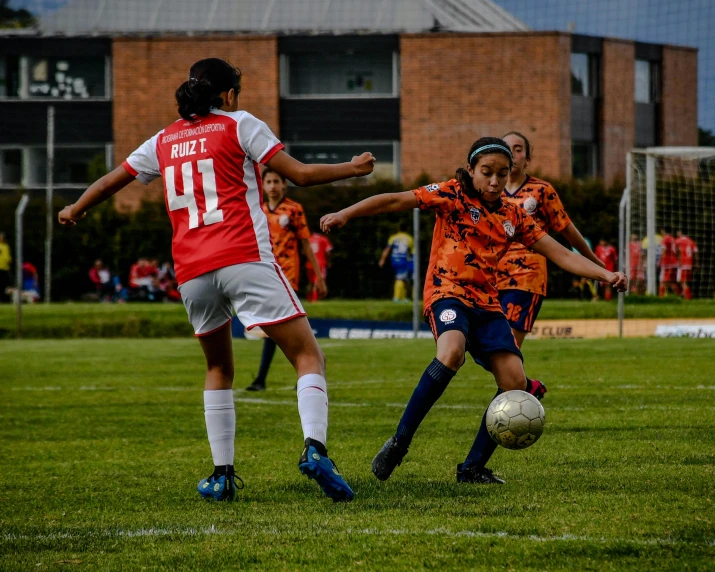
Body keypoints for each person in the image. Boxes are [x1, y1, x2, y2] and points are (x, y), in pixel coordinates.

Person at [58, 57, 375, 502]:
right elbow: (299, 175)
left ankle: (222, 474)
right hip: (243, 256)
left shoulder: (164, 139)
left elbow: (116, 178)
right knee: (307, 356)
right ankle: (315, 450)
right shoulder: (239, 124)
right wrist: (353, 169)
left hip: (191, 271)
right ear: (228, 94)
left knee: (218, 367)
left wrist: (77, 208)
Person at [320, 137, 627, 484]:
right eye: (486, 173)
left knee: (515, 381)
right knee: (451, 352)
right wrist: (345, 214)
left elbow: (561, 253)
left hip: (487, 303)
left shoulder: (513, 214)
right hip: (447, 293)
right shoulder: (451, 194)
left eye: (502, 173)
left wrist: (605, 274)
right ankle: (399, 443)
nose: (494, 181)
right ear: (471, 170)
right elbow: (393, 199)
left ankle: (472, 467)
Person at [496, 132, 603, 345]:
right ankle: (525, 381)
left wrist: (595, 263)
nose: (513, 154)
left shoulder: (542, 191)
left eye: (518, 149)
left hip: (526, 278)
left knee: (508, 346)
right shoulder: (489, 192)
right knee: (488, 347)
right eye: (507, 148)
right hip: (490, 278)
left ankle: (519, 379)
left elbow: (568, 230)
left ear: (527, 159)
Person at [245, 167, 328, 392]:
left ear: (283, 185)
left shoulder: (293, 210)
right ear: (262, 185)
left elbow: (305, 244)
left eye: (276, 182)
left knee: (282, 327)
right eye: (268, 182)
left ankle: (268, 378)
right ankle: (307, 373)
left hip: (287, 277)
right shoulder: (257, 210)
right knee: (274, 329)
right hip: (265, 274)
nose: (272, 186)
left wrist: (318, 277)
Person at [378, 223, 413, 303]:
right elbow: (411, 252)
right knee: (401, 278)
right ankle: (397, 298)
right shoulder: (409, 238)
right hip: (403, 260)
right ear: (407, 229)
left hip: (394, 259)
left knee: (402, 278)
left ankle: (402, 298)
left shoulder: (393, 237)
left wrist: (382, 259)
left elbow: (387, 249)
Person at [306, 232, 333, 303]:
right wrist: (329, 261)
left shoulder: (309, 239)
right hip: (320, 263)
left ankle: (309, 298)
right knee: (317, 282)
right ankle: (314, 300)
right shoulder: (323, 239)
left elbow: (305, 251)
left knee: (310, 282)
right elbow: (328, 251)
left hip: (310, 263)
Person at [675, 230, 698, 300]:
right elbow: (696, 252)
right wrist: (697, 263)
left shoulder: (678, 241)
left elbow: (677, 251)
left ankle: (688, 296)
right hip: (689, 264)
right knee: (684, 281)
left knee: (682, 281)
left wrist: (678, 260)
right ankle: (684, 294)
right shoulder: (691, 241)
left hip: (682, 263)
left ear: (680, 232)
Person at [658, 228, 679, 297]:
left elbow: (664, 249)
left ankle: (661, 297)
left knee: (662, 281)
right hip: (674, 262)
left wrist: (660, 260)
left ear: (663, 230)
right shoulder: (672, 238)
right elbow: (678, 250)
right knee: (670, 281)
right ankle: (679, 295)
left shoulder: (665, 238)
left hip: (667, 263)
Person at [0, 232, 11, 302]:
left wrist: (9, 260)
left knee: (6, 285)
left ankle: (5, 300)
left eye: (2, 237)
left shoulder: (6, 246)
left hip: (5, 268)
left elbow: (8, 257)